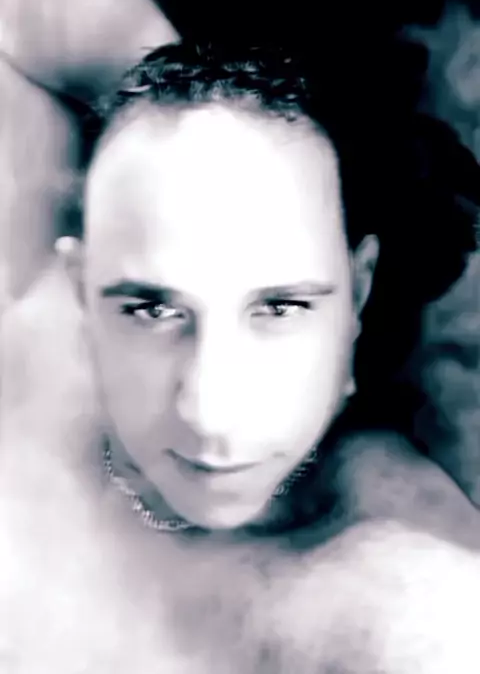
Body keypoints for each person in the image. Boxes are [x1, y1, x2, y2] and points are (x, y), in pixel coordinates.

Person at [1, 41, 479, 673]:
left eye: (280, 309)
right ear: (81, 288)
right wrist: (186, 109)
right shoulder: (32, 345)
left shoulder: (405, 588)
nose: (209, 413)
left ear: (358, 292)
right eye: (152, 310)